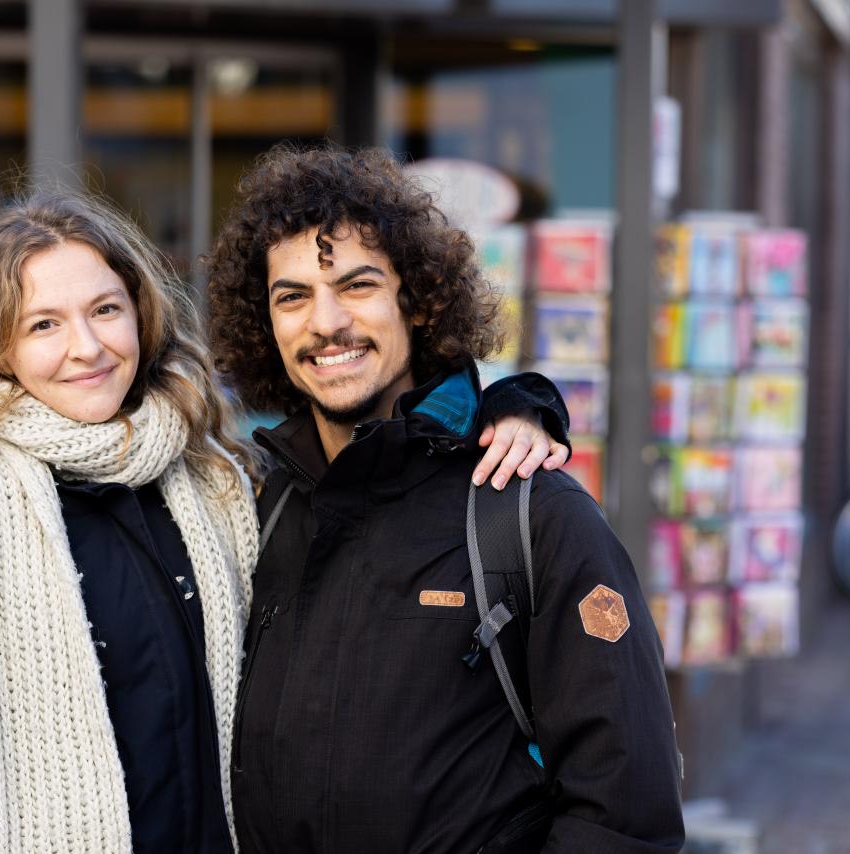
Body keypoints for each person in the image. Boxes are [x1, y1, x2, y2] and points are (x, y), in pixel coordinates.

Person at [0, 190, 567, 853]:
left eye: (104, 310)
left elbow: (375, 460)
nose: (87, 348)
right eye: (43, 325)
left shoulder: (215, 480)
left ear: (140, 311)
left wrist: (514, 405)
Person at [207, 145, 685, 854]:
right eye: (293, 296)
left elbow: (624, 816)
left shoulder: (529, 513)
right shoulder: (266, 508)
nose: (326, 322)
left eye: (358, 285)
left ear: (419, 301)